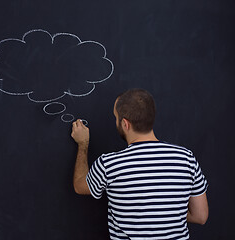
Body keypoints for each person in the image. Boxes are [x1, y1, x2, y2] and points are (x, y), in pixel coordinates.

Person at [71, 88, 209, 240]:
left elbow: (79, 186)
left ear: (125, 124)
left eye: (116, 118)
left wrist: (83, 144)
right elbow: (200, 216)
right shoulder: (186, 158)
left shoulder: (109, 164)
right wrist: (166, 213)